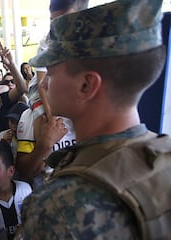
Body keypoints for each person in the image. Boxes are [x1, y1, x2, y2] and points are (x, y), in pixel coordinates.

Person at [16, 0, 170, 239]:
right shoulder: (163, 157)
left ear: (86, 85)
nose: (44, 83)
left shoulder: (60, 207)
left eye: (52, 73)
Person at [16, 0, 87, 188]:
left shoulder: (89, 43)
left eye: (65, 20)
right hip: (39, 92)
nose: (58, 27)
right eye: (52, 20)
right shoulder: (47, 42)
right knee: (44, 120)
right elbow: (42, 83)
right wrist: (51, 120)